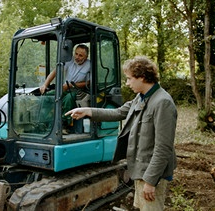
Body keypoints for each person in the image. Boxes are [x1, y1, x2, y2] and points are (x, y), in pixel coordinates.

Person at [65, 56, 177, 210]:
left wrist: (151, 181)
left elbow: (163, 147)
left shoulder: (162, 102)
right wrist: (87, 111)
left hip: (152, 174)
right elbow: (118, 112)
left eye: (129, 79)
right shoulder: (141, 97)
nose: (127, 83)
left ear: (142, 77)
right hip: (141, 169)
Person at [40, 44, 91, 131]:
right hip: (65, 88)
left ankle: (63, 126)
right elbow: (55, 71)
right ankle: (43, 122)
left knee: (68, 99)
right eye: (76, 54)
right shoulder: (69, 60)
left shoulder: (89, 65)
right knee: (47, 97)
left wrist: (71, 85)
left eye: (80, 55)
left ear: (86, 57)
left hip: (79, 91)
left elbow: (89, 82)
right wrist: (45, 84)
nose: (77, 57)